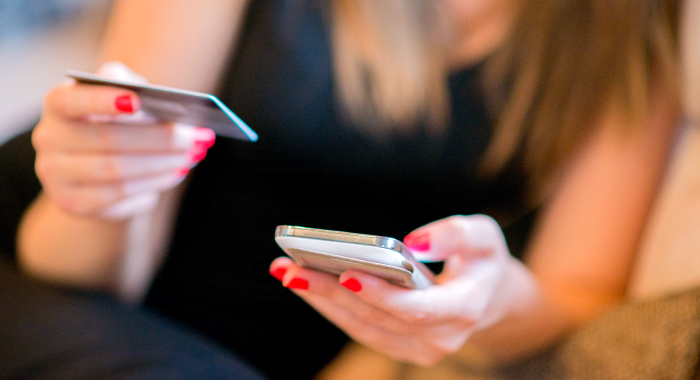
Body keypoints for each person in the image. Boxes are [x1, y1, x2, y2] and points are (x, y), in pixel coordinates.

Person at [7, 0, 680, 378]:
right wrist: (103, 193)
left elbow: (579, 289)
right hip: (60, 271)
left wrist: (488, 300)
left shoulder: (628, 28)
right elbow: (84, 275)